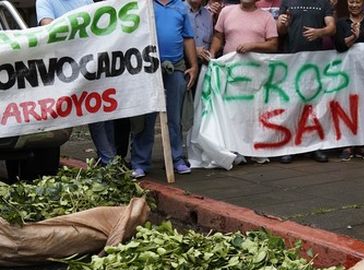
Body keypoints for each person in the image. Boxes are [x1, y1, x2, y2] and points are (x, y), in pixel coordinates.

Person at [37, 0, 117, 166]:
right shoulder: (45, 1)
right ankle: (109, 158)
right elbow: (48, 26)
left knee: (104, 109)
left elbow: (98, 23)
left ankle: (109, 157)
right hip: (65, 68)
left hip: (91, 61)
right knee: (94, 110)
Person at [131, 0, 198, 178]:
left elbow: (188, 37)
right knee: (146, 116)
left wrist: (193, 65)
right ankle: (140, 162)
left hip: (176, 66)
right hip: (147, 66)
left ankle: (177, 159)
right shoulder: (143, 4)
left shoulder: (180, 6)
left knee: (174, 116)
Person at [208, 0, 279, 165]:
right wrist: (212, 51)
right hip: (230, 71)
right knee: (232, 111)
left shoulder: (266, 17)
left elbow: (273, 44)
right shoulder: (226, 12)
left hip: (255, 72)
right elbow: (219, 36)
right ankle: (234, 149)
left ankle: (256, 149)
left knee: (254, 111)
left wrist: (252, 46)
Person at [277, 0, 336, 163]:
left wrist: (320, 32)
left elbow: (332, 28)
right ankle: (289, 147)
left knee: (314, 107)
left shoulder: (324, 3)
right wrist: (283, 24)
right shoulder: (287, 2)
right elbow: (280, 30)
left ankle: (314, 147)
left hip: (315, 62)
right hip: (292, 60)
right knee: (291, 106)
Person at [335, 0, 364, 161]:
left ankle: (363, 145)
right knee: (347, 107)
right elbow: (340, 46)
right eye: (351, 1)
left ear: (363, 3)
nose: (354, 5)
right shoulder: (341, 23)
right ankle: (347, 145)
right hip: (347, 73)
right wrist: (354, 37)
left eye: (358, 2)